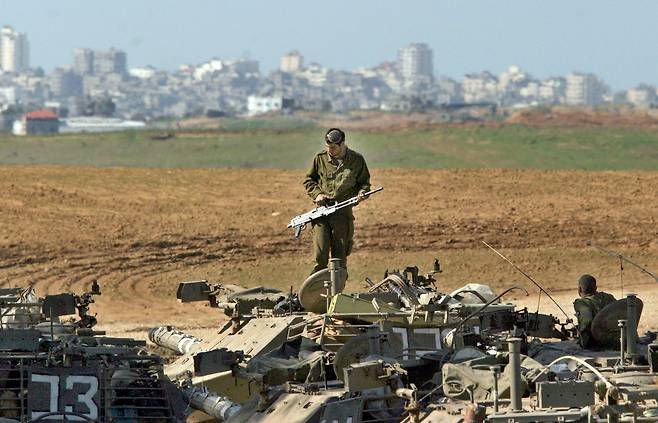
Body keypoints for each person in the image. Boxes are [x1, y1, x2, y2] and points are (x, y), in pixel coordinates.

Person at [303, 128, 371, 274]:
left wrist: (362, 193)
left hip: (342, 215)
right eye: (327, 147)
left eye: (333, 148)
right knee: (320, 258)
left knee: (339, 259)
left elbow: (364, 183)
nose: (330, 151)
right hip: (321, 215)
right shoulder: (320, 158)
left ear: (342, 144)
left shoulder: (356, 160)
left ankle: (336, 293)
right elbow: (309, 181)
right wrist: (318, 195)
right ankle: (315, 292)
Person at [573, 274, 616, 349]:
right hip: (614, 339)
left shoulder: (581, 303)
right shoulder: (609, 297)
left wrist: (582, 338)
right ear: (596, 288)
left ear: (579, 289)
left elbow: (587, 321)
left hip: (597, 343)